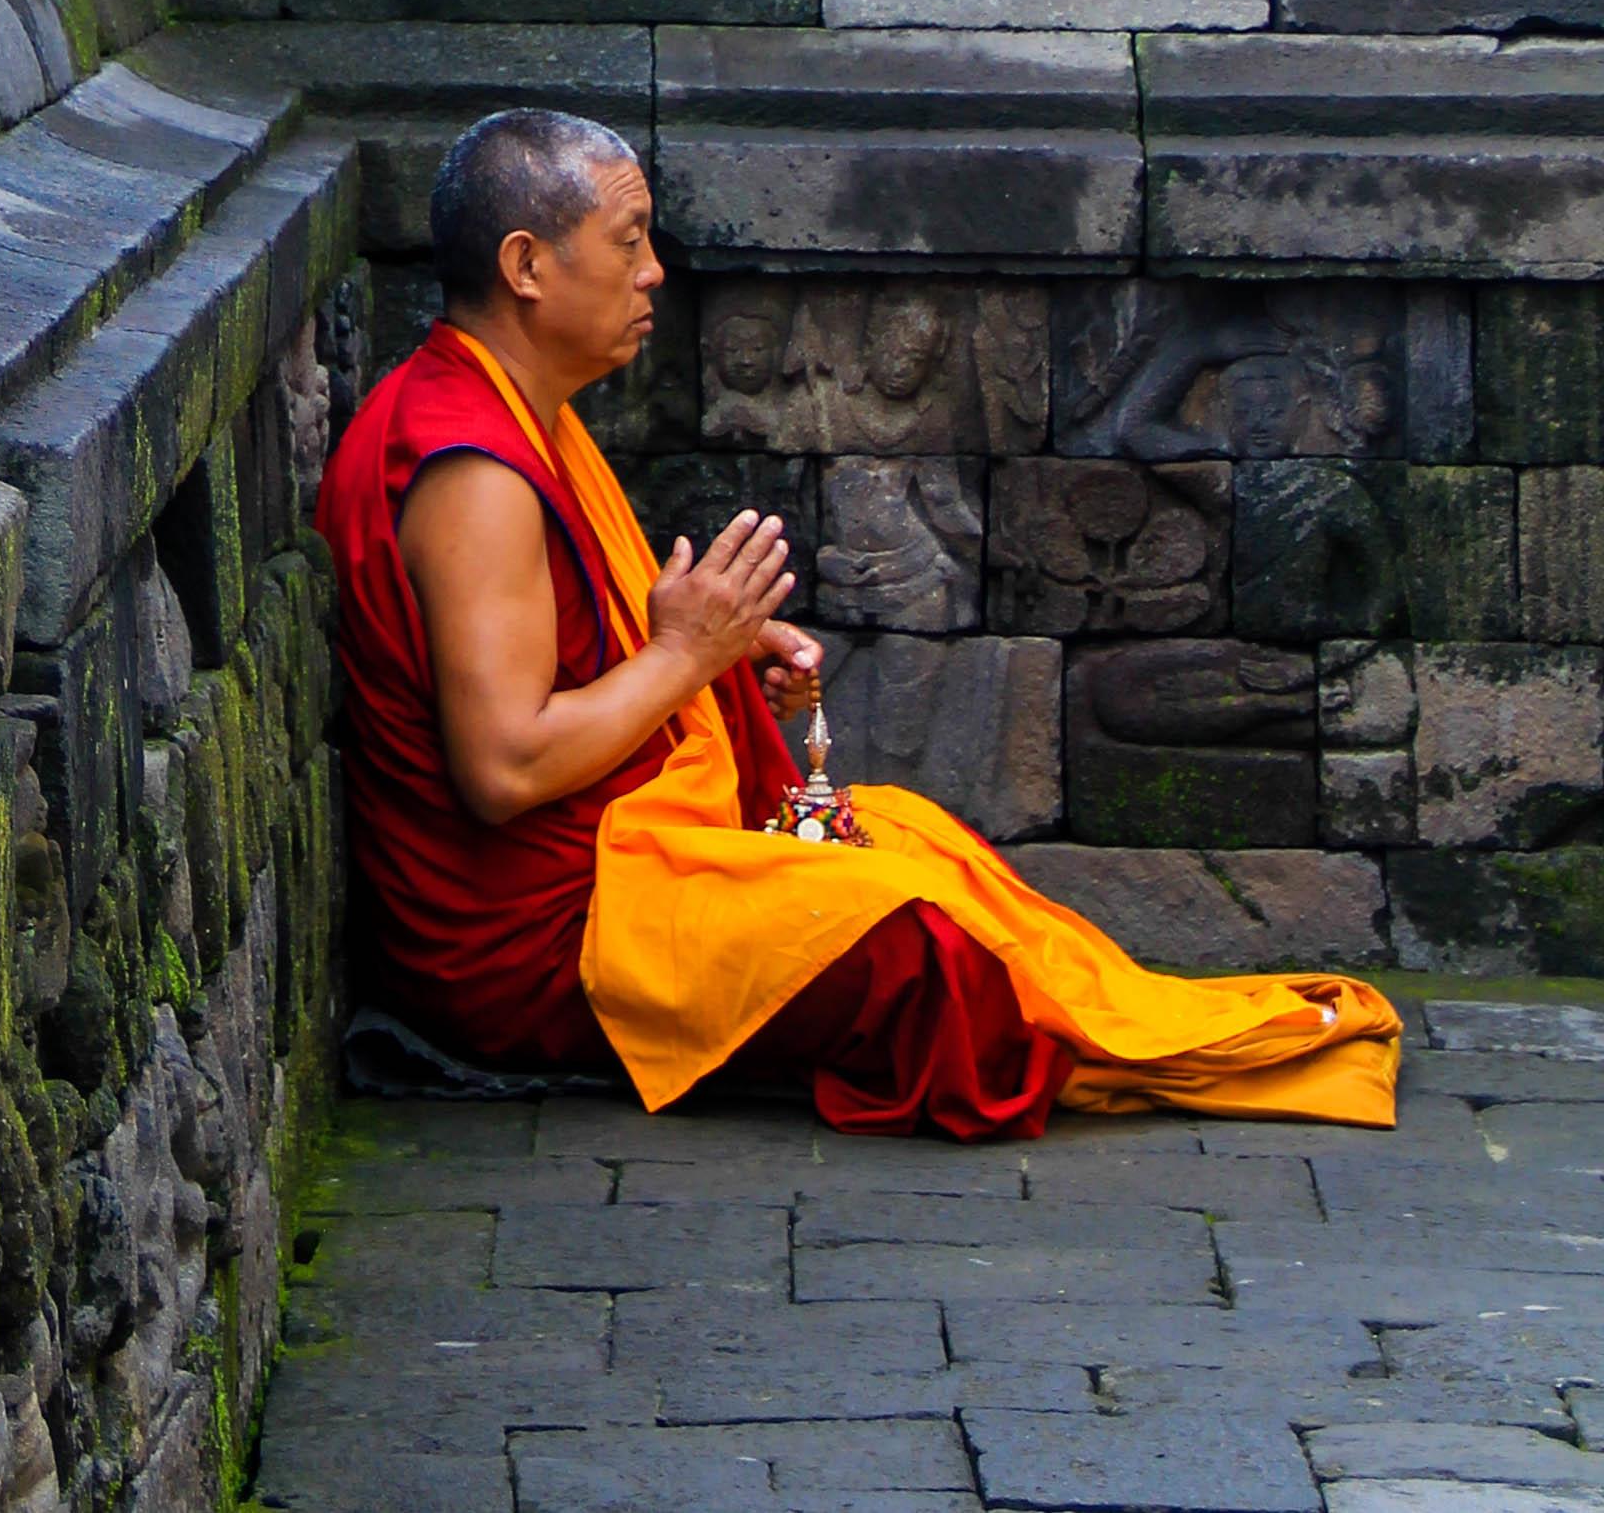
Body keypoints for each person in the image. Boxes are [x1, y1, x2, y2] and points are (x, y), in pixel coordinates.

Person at [315, 109, 1396, 1136]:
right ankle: (1134, 1044)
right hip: (543, 940)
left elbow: (579, 661)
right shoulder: (473, 470)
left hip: (606, 867)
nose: (654, 271)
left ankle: (1126, 1017)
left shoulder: (512, 414)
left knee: (911, 835)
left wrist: (715, 653)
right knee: (924, 947)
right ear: (526, 265)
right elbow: (503, 767)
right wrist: (689, 656)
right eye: (629, 239)